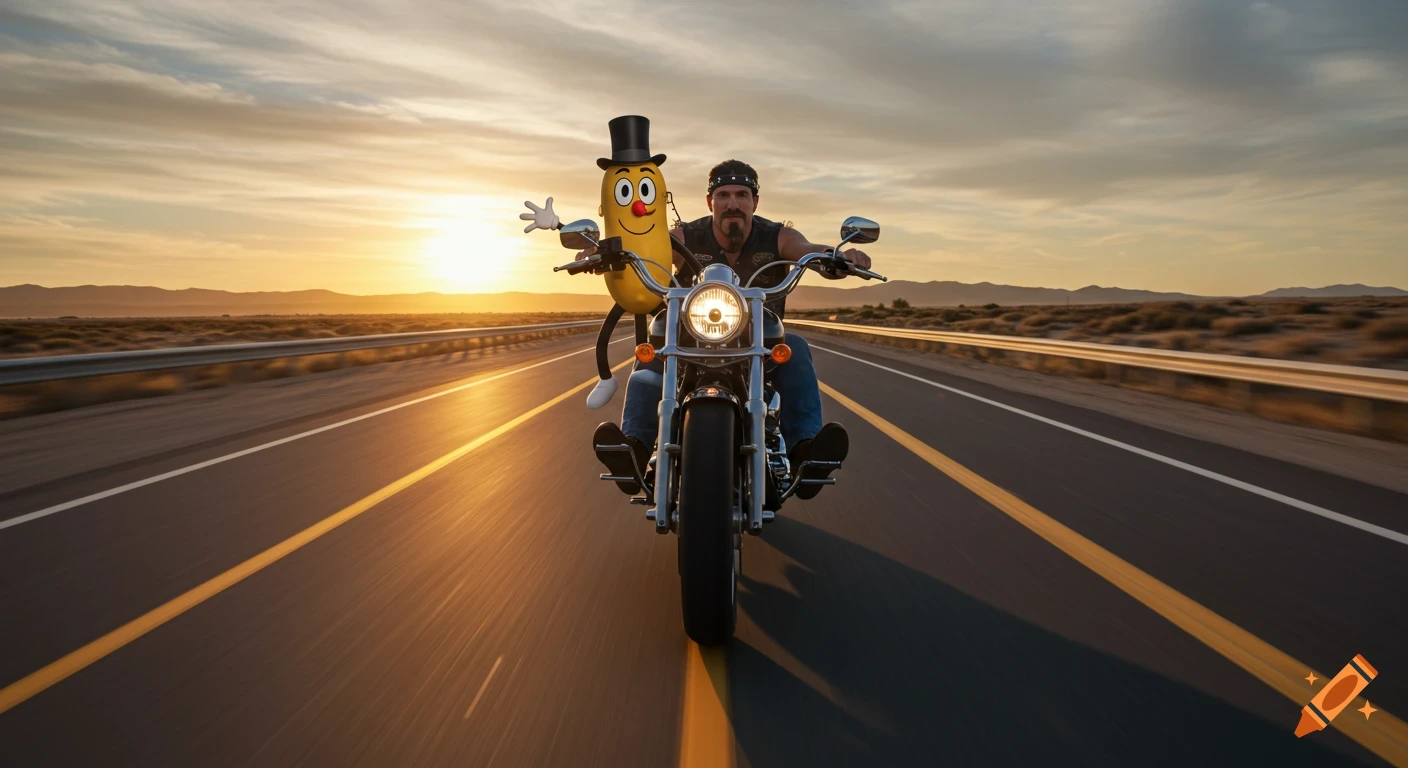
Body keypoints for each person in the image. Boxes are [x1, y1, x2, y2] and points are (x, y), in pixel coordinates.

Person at [592, 160, 872, 500]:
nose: (732, 203)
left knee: (795, 347)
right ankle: (633, 450)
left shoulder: (777, 237)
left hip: (760, 348)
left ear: (755, 201)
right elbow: (647, 251)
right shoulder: (684, 237)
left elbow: (806, 250)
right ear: (710, 202)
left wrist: (838, 257)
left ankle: (806, 453)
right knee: (652, 352)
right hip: (687, 348)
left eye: (742, 194)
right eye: (723, 194)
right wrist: (606, 254)